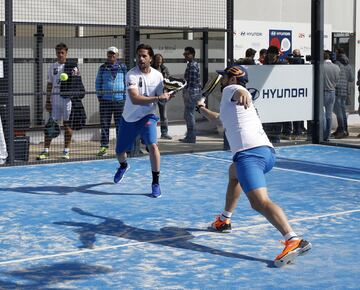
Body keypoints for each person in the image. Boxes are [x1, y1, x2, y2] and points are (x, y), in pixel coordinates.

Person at [196, 64, 311, 267]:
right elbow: (219, 120)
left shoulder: (232, 90)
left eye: (225, 78)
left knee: (259, 203)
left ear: (233, 79)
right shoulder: (230, 105)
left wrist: (243, 92)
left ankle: (293, 239)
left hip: (250, 155)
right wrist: (201, 108)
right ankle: (224, 220)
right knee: (233, 175)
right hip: (266, 153)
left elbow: (239, 91)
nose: (222, 81)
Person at [113, 44, 171, 198]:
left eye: (144, 56)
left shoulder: (158, 76)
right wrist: (159, 98)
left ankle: (155, 183)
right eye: (139, 55)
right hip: (129, 118)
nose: (140, 58)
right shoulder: (131, 75)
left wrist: (166, 97)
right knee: (119, 152)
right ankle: (124, 166)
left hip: (148, 117)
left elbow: (161, 100)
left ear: (151, 58)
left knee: (152, 145)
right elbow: (135, 99)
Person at [37, 43, 84, 160]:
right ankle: (46, 150)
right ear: (56, 53)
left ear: (66, 53)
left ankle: (66, 151)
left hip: (67, 100)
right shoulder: (53, 66)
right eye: (58, 52)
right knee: (50, 125)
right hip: (55, 99)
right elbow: (49, 84)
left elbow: (78, 83)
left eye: (62, 53)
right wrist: (48, 100)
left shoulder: (72, 66)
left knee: (67, 125)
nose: (60, 55)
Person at [95, 46, 127, 156]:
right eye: (109, 54)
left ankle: (120, 147)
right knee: (104, 125)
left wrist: (125, 97)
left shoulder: (123, 67)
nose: (111, 56)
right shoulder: (103, 67)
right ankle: (104, 147)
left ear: (117, 55)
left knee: (120, 125)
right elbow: (98, 82)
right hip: (105, 101)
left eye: (113, 54)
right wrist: (100, 96)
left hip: (120, 101)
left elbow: (126, 81)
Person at [180, 46, 202, 143]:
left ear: (192, 55)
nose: (185, 56)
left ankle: (191, 137)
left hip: (191, 93)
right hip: (193, 92)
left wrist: (186, 92)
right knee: (189, 114)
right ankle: (190, 136)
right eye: (184, 54)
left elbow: (191, 82)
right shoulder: (194, 64)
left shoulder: (192, 65)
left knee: (189, 115)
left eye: (186, 54)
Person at [332, 48, 354, 139]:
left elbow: (334, 77)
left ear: (337, 53)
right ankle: (345, 130)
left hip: (337, 90)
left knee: (339, 112)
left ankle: (341, 130)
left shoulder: (337, 64)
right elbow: (351, 79)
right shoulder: (348, 65)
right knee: (343, 111)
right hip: (345, 90)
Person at [152, 53, 172, 140]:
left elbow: (169, 81)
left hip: (162, 94)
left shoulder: (164, 69)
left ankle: (164, 133)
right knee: (151, 114)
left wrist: (170, 93)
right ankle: (150, 132)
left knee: (163, 115)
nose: (158, 64)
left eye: (160, 62)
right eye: (157, 62)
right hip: (152, 94)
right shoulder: (150, 69)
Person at [323, 51, 340, 141]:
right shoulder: (336, 67)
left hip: (322, 92)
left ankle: (322, 134)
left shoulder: (321, 67)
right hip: (332, 91)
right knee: (328, 115)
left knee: (321, 115)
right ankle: (327, 136)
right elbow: (337, 80)